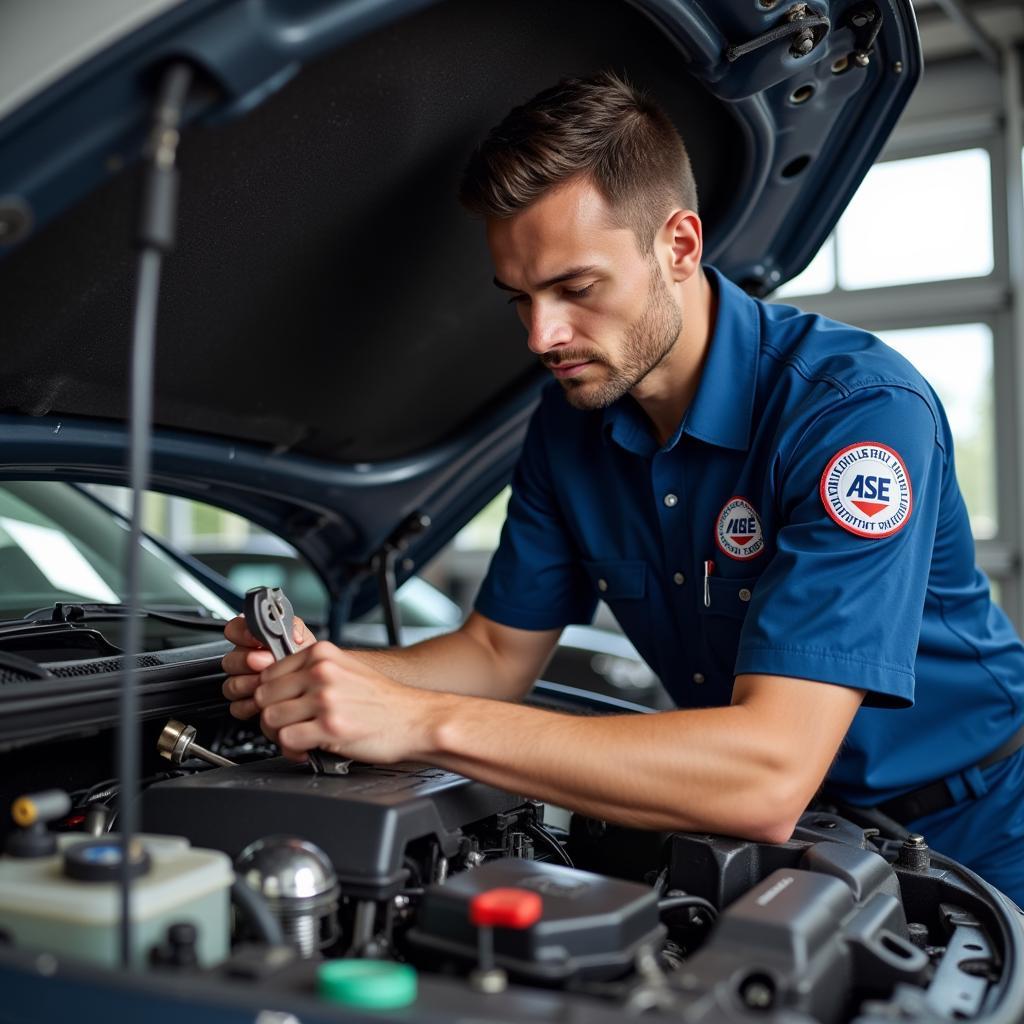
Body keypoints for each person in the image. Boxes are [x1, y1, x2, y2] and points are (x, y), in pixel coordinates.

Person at [221, 72, 1024, 903]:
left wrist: (419, 721)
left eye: (575, 289)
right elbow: (495, 656)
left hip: (980, 833)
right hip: (806, 837)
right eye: (520, 299)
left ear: (678, 245)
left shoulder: (853, 417)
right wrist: (333, 678)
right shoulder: (568, 425)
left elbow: (768, 774)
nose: (542, 336)